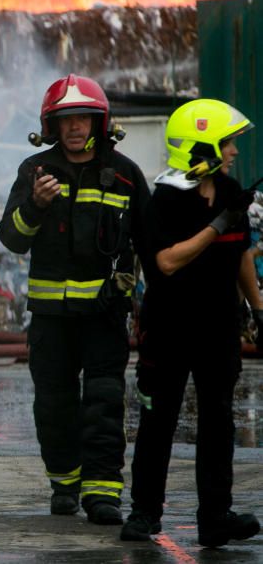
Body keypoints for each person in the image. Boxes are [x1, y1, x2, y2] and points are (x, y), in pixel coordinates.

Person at [0, 74, 150, 524]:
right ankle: (64, 483)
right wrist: (35, 207)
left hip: (104, 313)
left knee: (105, 401)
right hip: (50, 318)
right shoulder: (34, 172)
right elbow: (11, 238)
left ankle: (102, 494)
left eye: (83, 117)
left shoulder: (124, 174)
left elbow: (149, 238)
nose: (75, 127)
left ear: (99, 122)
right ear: (52, 126)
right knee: (54, 404)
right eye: (66, 120)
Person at [120, 98, 260, 547]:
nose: (234, 151)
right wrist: (218, 224)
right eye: (228, 142)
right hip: (170, 327)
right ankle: (145, 513)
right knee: (158, 418)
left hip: (218, 326)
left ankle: (216, 516)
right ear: (202, 145)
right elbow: (165, 262)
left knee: (218, 421)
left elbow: (241, 254)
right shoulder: (164, 200)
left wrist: (259, 309)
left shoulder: (230, 188)